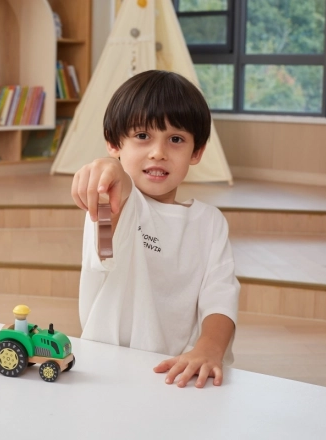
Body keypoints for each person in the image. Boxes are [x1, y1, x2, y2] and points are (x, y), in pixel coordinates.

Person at [72, 70, 240, 389]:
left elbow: (221, 296)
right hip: (107, 375)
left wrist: (209, 349)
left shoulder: (210, 222)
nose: (158, 152)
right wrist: (108, 171)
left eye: (175, 139)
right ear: (114, 142)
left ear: (197, 152)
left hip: (180, 377)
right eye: (142, 136)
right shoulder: (115, 203)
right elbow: (106, 245)